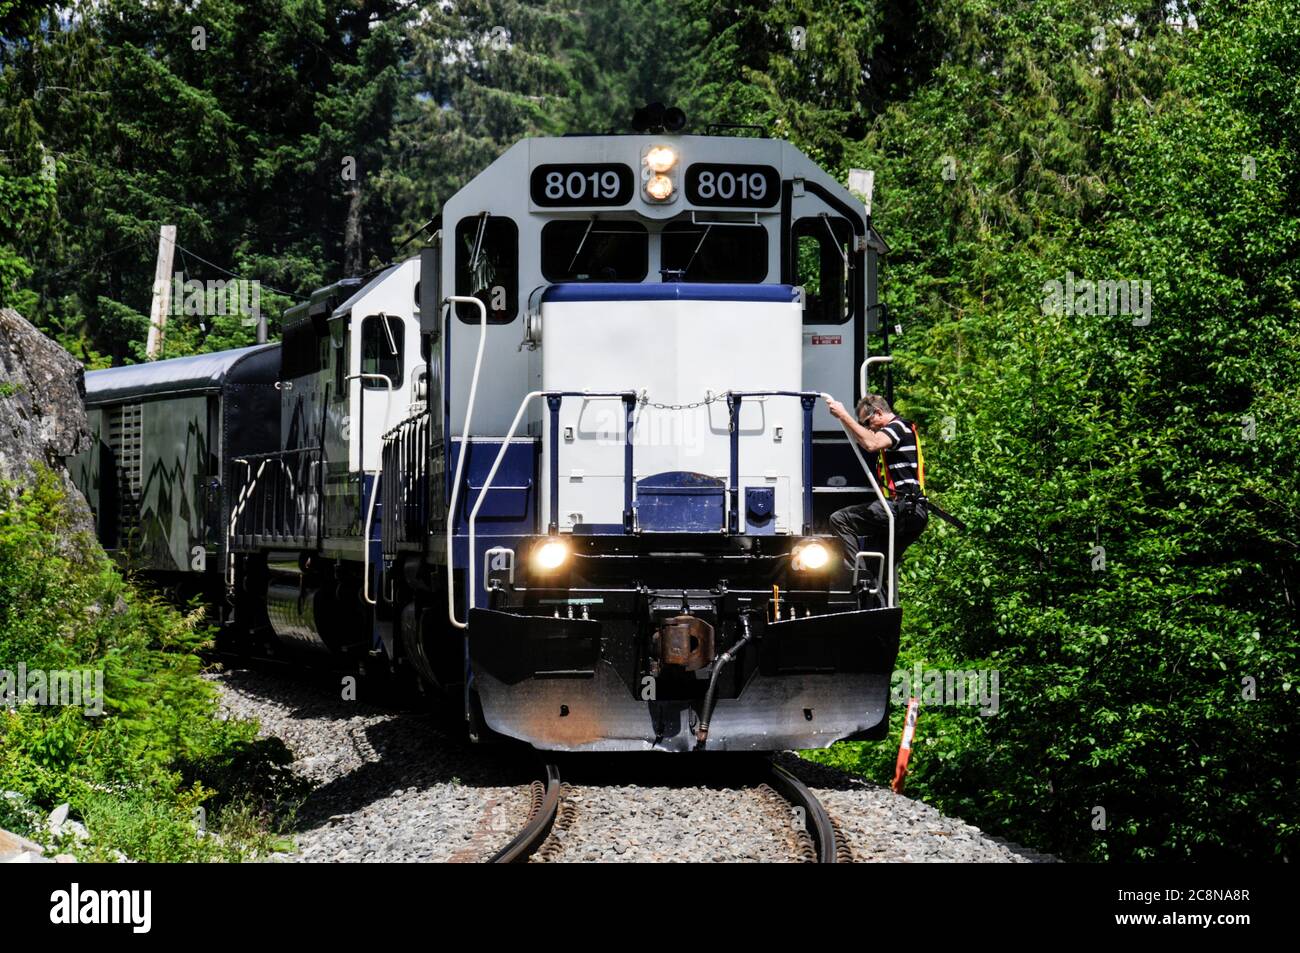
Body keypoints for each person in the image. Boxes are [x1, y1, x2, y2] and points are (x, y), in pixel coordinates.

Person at [823, 393, 929, 586]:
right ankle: (871, 595)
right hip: (912, 512)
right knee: (877, 570)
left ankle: (858, 580)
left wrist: (843, 415)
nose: (868, 428)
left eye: (868, 422)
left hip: (903, 509)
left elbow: (871, 443)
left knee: (840, 519)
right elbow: (867, 440)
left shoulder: (898, 427)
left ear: (878, 413)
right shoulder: (898, 432)